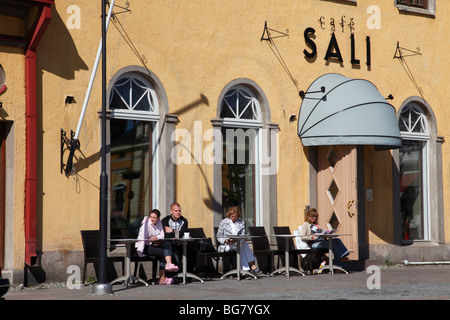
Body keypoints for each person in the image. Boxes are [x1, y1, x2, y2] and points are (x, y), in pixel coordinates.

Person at [136, 209, 179, 285]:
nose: (152, 219)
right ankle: (162, 278)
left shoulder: (159, 223)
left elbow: (162, 235)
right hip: (144, 246)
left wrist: (156, 238)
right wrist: (150, 240)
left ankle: (168, 264)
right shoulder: (146, 225)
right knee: (163, 254)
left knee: (166, 243)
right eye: (151, 217)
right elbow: (142, 239)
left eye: (154, 217)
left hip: (153, 244)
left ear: (158, 218)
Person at [216, 206, 262, 274]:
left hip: (237, 243)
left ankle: (245, 271)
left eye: (235, 216)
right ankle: (252, 266)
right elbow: (218, 236)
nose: (234, 218)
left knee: (243, 245)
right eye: (232, 216)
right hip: (227, 245)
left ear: (238, 216)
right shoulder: (223, 222)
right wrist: (226, 240)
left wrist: (236, 240)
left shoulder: (241, 222)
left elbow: (242, 235)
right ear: (229, 215)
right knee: (243, 245)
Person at [161, 202, 198, 273]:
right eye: (176, 211)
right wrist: (177, 233)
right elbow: (166, 235)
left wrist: (172, 231)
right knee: (176, 255)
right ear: (171, 211)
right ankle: (178, 275)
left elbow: (183, 234)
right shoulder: (165, 220)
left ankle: (188, 273)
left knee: (194, 253)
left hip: (182, 244)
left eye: (179, 211)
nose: (178, 212)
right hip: (171, 245)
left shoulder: (184, 220)